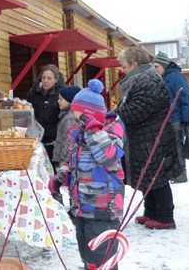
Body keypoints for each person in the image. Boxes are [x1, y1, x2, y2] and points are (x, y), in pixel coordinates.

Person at [49, 79, 125, 270]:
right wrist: (61, 177)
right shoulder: (81, 133)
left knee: (102, 256)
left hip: (103, 208)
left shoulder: (111, 131)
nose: (74, 119)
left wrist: (93, 130)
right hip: (83, 207)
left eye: (77, 115)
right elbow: (72, 161)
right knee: (88, 255)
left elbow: (107, 157)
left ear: (88, 114)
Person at [115, 46, 182, 229]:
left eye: (125, 66)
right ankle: (151, 211)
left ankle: (165, 216)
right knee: (146, 176)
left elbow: (138, 110)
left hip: (153, 137)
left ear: (135, 64)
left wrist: (116, 113)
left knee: (157, 178)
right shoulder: (140, 79)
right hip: (144, 135)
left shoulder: (148, 80)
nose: (122, 70)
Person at [152, 51, 189, 183]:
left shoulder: (175, 77)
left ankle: (181, 173)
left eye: (156, 67)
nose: (154, 70)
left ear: (164, 66)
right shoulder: (162, 78)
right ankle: (172, 172)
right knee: (169, 147)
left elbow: (187, 98)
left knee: (177, 146)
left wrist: (186, 120)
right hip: (165, 119)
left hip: (175, 119)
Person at [27, 64, 64, 164]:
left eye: (49, 78)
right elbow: (29, 112)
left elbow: (63, 118)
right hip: (36, 138)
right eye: (43, 78)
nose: (45, 81)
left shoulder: (60, 95)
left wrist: (58, 139)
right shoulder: (34, 92)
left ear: (56, 80)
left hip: (53, 141)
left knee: (52, 169)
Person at [52, 85, 81, 170]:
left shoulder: (70, 117)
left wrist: (64, 162)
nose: (58, 101)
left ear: (70, 100)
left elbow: (68, 142)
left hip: (66, 162)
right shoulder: (65, 115)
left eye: (61, 99)